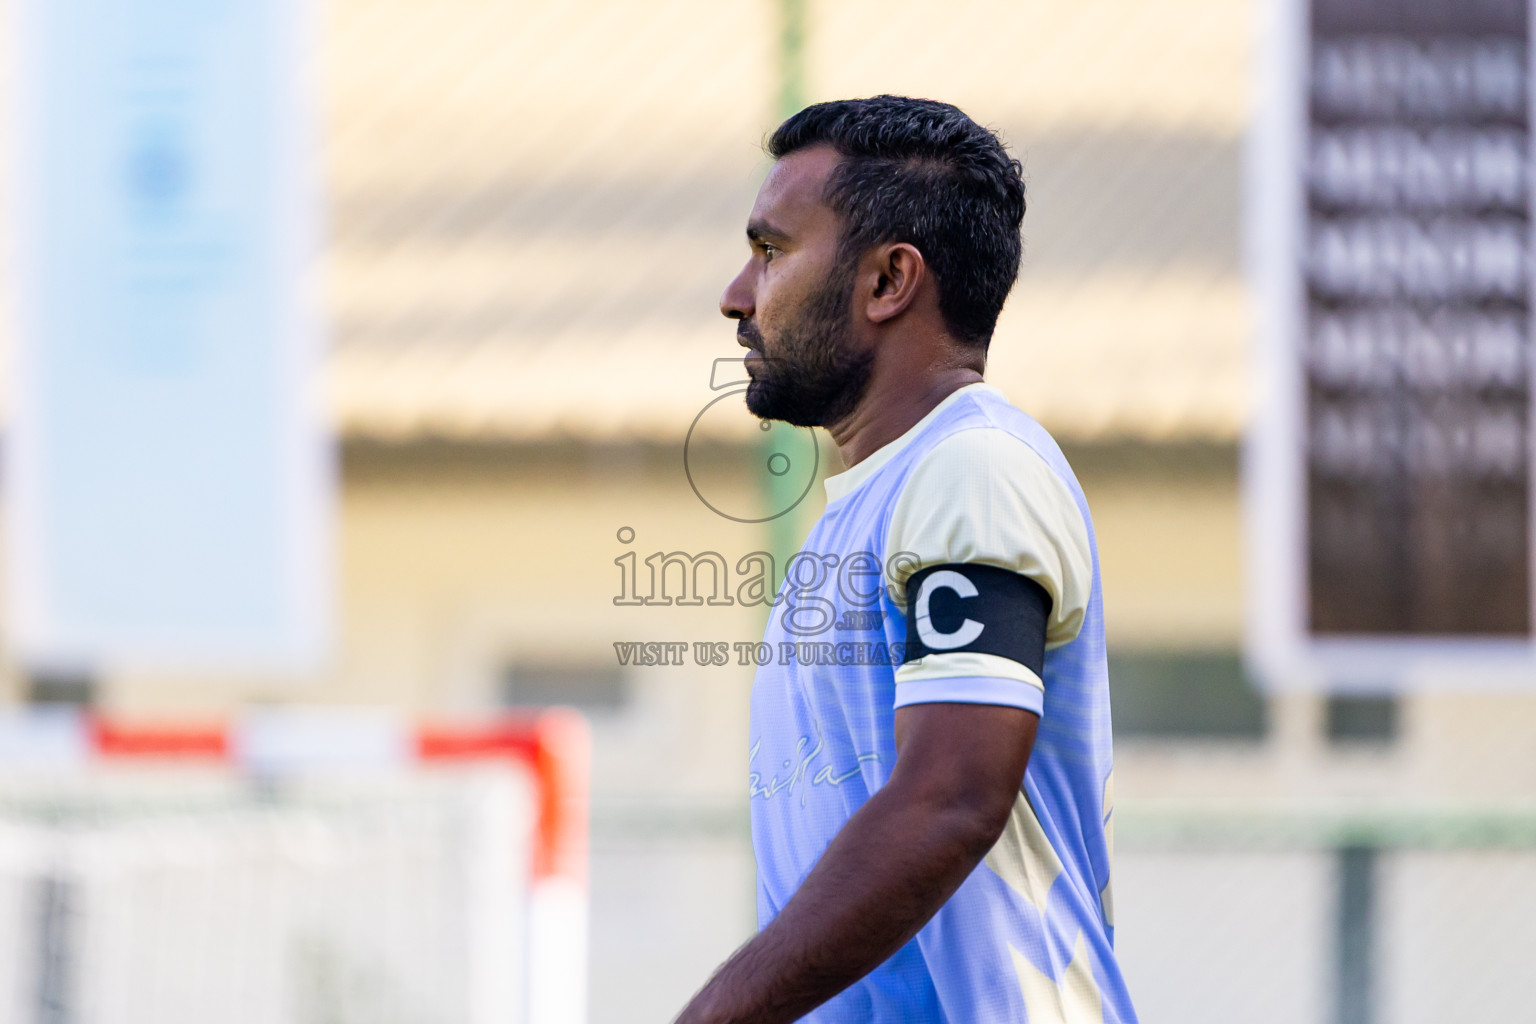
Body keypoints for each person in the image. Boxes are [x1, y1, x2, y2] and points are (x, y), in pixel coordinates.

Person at [676, 96, 1136, 1024]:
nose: (736, 293)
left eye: (771, 251)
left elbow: (950, 797)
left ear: (889, 280)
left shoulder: (973, 467)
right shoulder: (875, 502)